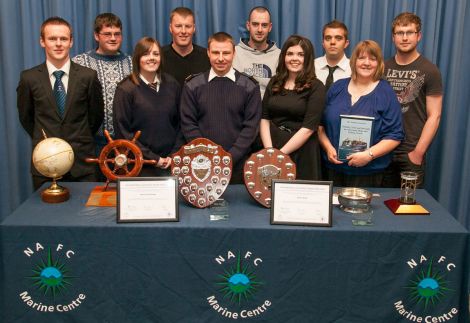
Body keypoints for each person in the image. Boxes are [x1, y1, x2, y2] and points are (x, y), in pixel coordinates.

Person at [17, 17, 104, 190]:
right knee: (46, 217)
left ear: (71, 42)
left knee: (86, 216)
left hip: (83, 166)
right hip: (46, 166)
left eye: (63, 39)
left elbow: (95, 117)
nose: (58, 44)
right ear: (42, 41)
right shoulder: (29, 78)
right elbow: (26, 118)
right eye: (52, 39)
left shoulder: (88, 76)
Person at [318, 40, 404, 187]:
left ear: (379, 63)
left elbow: (395, 135)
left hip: (369, 173)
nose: (367, 63)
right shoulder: (337, 87)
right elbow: (320, 126)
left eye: (372, 59)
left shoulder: (386, 93)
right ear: (354, 61)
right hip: (332, 169)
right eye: (361, 58)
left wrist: (369, 155)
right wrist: (328, 147)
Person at [180, 32, 261, 184]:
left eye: (226, 53)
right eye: (216, 52)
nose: (221, 58)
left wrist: (229, 158)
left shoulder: (249, 86)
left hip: (238, 167)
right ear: (208, 53)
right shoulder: (192, 85)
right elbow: (188, 124)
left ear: (234, 53)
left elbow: (251, 128)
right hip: (201, 166)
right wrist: (208, 156)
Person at [383, 12, 443, 188]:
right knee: (380, 208)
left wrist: (418, 152)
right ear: (393, 37)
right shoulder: (383, 68)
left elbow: (435, 115)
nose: (404, 37)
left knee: (407, 211)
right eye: (400, 33)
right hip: (382, 151)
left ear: (419, 36)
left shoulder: (429, 70)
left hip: (410, 153)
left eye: (409, 32)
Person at [113, 37, 182, 177]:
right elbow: (123, 132)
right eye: (146, 54)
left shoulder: (172, 84)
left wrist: (173, 154)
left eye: (156, 54)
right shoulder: (126, 89)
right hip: (138, 166)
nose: (151, 58)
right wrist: (154, 159)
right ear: (137, 58)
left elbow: (181, 123)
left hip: (171, 164)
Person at [260, 35, 325, 180]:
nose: (294, 58)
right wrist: (269, 151)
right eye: (290, 53)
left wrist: (280, 154)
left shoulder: (317, 87)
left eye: (300, 54)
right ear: (283, 56)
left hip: (302, 151)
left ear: (307, 59)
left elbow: (308, 129)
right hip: (272, 145)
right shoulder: (274, 81)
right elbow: (264, 118)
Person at [73, 13, 132, 154]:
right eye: (107, 34)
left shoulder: (132, 64)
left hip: (127, 143)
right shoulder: (79, 63)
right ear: (96, 36)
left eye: (117, 34)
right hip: (91, 143)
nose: (113, 38)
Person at [233, 6, 281, 98]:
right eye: (255, 24)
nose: (259, 30)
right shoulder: (234, 53)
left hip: (268, 110)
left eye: (264, 25)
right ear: (248, 25)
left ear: (270, 27)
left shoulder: (280, 56)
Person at [161, 7, 211, 86]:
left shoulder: (207, 57)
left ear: (194, 28)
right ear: (170, 28)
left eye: (188, 26)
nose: (183, 31)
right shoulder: (159, 57)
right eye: (178, 26)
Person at [314, 20, 351, 91]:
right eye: (328, 38)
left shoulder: (354, 69)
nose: (332, 42)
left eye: (338, 38)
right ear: (323, 43)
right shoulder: (312, 66)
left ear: (346, 43)